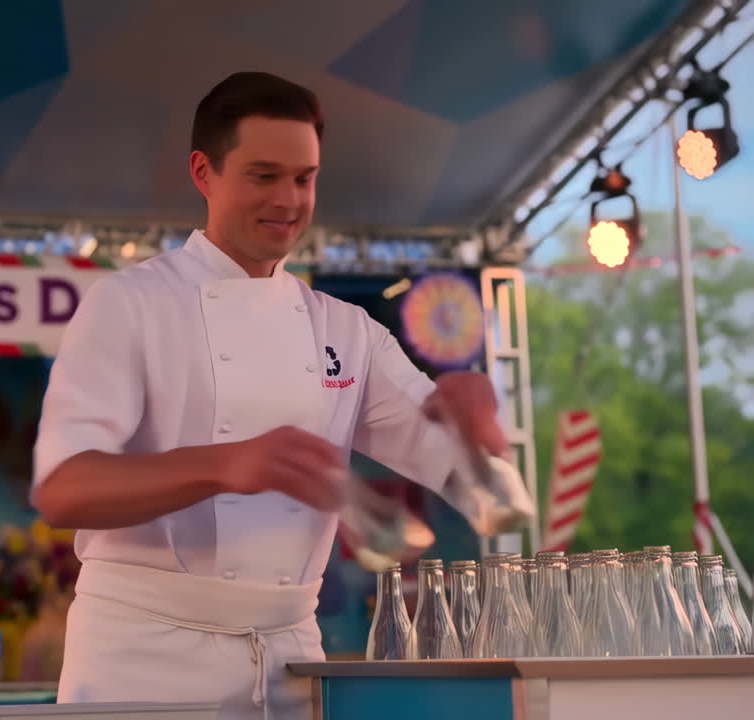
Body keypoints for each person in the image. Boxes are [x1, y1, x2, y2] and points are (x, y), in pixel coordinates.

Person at [30, 71, 509, 719]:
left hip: (290, 656)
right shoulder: (129, 305)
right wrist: (223, 464)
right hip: (143, 658)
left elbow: (472, 481)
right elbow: (63, 488)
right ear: (204, 172)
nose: (288, 199)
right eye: (263, 176)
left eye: (304, 178)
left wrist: (479, 422)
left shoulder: (347, 330)